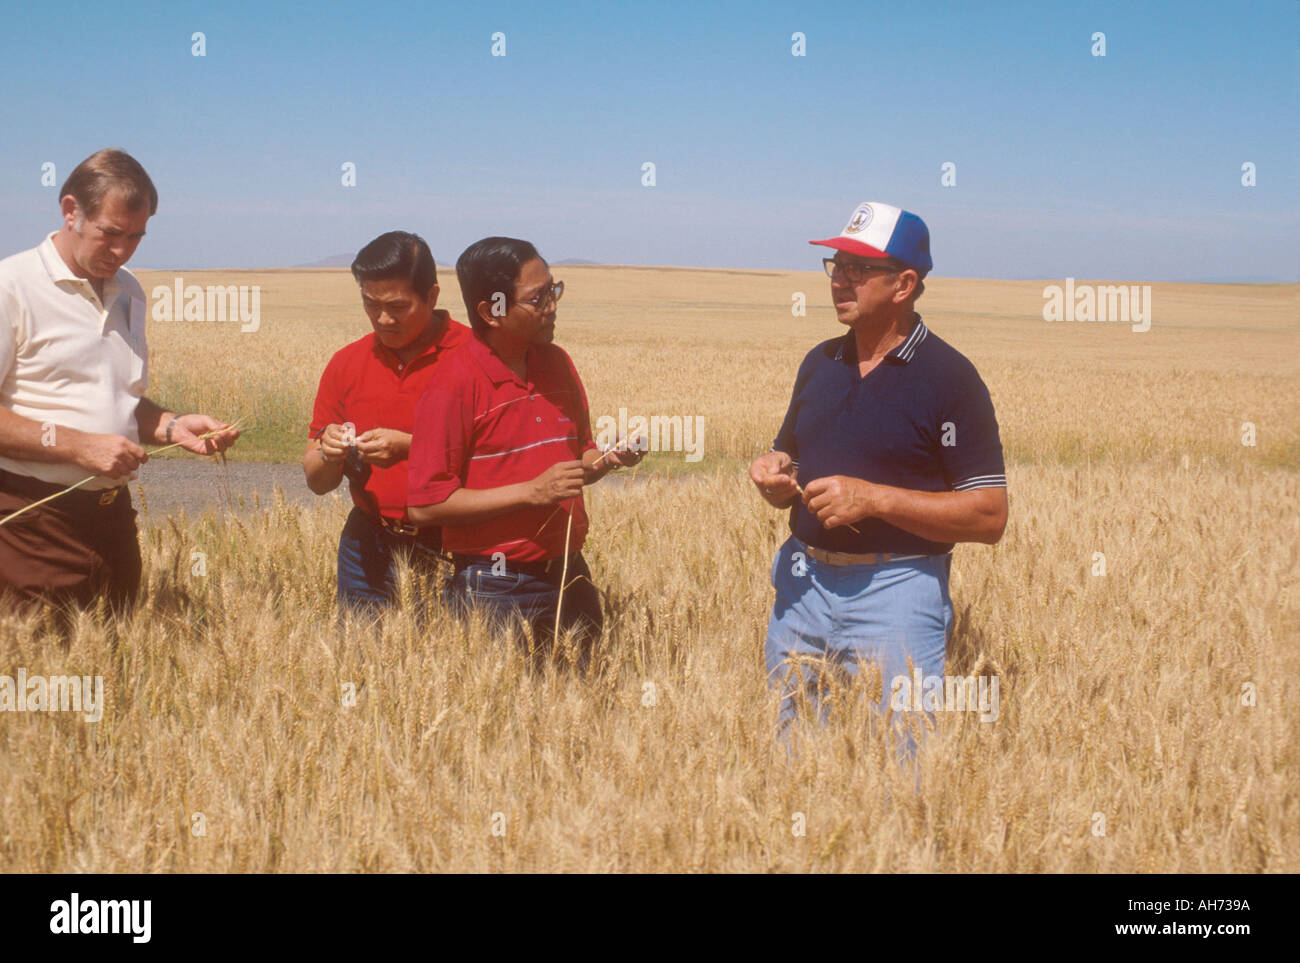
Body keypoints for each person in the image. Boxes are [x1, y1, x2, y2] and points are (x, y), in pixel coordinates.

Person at [750, 201, 1008, 745]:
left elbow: (989, 517)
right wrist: (776, 477)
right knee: (789, 759)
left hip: (900, 589)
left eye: (858, 269)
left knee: (904, 769)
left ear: (904, 284)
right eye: (836, 266)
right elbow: (791, 464)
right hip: (802, 583)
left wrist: (875, 500)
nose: (840, 280)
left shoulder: (951, 379)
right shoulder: (819, 363)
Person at [0, 148, 238, 614]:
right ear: (71, 211)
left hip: (113, 520)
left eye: (136, 236)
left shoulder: (129, 289)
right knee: (43, 672)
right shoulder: (12, 287)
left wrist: (170, 425)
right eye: (110, 233)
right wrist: (77, 446)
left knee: (117, 661)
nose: (122, 251)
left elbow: (117, 397)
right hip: (31, 522)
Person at [405, 236, 641, 665]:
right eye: (538, 298)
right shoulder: (452, 385)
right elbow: (425, 504)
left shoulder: (556, 362)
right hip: (493, 585)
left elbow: (580, 456)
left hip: (569, 571)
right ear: (490, 310)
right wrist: (530, 492)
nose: (552, 305)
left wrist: (607, 458)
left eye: (554, 290)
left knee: (584, 712)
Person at [304, 231, 470, 614]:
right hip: (368, 544)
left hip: (457, 545)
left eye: (397, 306)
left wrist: (411, 447)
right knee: (365, 664)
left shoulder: (475, 357)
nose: (382, 318)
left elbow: (500, 459)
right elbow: (316, 481)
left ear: (431, 296)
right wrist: (329, 454)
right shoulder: (346, 364)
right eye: (370, 304)